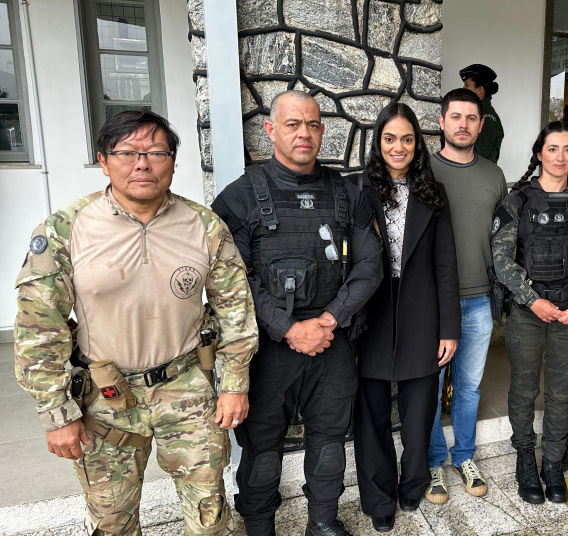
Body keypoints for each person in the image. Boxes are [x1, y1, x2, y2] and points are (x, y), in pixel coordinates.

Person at [14, 110, 259, 535]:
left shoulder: (203, 226)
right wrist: (57, 414)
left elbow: (234, 307)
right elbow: (39, 326)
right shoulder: (65, 228)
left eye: (155, 152)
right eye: (127, 152)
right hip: (105, 397)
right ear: (104, 161)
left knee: (209, 516)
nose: (142, 163)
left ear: (173, 161)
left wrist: (235, 382)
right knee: (112, 521)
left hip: (186, 389)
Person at [211, 91, 383, 536]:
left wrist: (327, 321)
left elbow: (370, 266)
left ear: (322, 130)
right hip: (268, 347)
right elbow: (230, 280)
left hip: (332, 340)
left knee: (329, 442)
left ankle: (323, 521)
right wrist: (287, 328)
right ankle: (259, 527)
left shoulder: (349, 193)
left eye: (313, 124)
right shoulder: (239, 198)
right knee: (263, 448)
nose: (304, 133)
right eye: (292, 124)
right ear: (271, 130)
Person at [492, 121, 568, 504]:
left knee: (562, 393)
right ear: (539, 153)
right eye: (552, 149)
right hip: (531, 313)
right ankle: (526, 458)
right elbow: (501, 259)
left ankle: (553, 462)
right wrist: (532, 300)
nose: (560, 157)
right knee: (525, 390)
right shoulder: (518, 203)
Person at [353, 102, 461, 533]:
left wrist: (449, 328)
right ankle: (379, 499)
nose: (399, 147)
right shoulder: (358, 191)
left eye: (408, 139)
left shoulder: (433, 194)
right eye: (390, 138)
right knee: (372, 415)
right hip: (371, 314)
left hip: (422, 312)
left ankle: (413, 483)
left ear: (418, 146)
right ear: (378, 143)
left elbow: (446, 264)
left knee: (418, 414)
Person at [425, 88, 507, 504]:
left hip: (478, 300)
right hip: (433, 302)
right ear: (441, 122)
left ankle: (464, 456)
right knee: (431, 384)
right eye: (455, 116)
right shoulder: (424, 171)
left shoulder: (494, 175)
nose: (462, 124)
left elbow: (503, 239)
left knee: (470, 385)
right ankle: (432, 462)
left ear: (480, 124)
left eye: (471, 118)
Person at [459, 63, 504, 164]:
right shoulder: (475, 114)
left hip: (479, 177)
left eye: (467, 85)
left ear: (479, 90)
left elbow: (476, 157)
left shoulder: (488, 118)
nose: (463, 88)